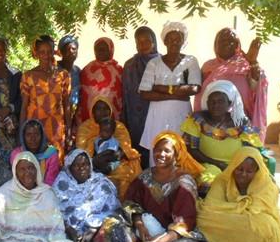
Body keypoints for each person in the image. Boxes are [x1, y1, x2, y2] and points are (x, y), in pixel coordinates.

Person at [94, 132, 207, 242]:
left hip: (172, 238)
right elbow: (131, 203)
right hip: (145, 235)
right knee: (110, 225)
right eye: (158, 150)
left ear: (176, 154)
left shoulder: (184, 182)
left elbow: (185, 223)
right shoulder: (145, 176)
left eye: (167, 151)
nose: (161, 154)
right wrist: (140, 225)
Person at [197, 147, 280, 242]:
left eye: (249, 171)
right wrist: (240, 208)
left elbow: (256, 210)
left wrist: (231, 210)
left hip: (257, 222)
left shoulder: (267, 185)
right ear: (233, 166)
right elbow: (210, 207)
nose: (243, 174)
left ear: (257, 171)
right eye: (239, 169)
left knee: (260, 224)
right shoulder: (222, 180)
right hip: (233, 220)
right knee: (204, 218)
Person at [181, 80, 271, 193]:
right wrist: (217, 163)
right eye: (212, 101)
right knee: (209, 182)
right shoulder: (197, 119)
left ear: (229, 104)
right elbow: (191, 149)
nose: (216, 105)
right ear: (207, 103)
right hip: (207, 165)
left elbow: (252, 148)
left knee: (258, 185)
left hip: (238, 166)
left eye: (220, 101)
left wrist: (237, 166)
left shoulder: (241, 122)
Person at [138, 22, 201, 159]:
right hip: (158, 115)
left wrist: (162, 88)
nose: (174, 43)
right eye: (171, 39)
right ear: (165, 41)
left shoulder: (190, 61)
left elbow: (195, 88)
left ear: (183, 41)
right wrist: (176, 95)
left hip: (182, 114)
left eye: (178, 39)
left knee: (181, 150)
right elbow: (145, 93)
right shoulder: (154, 63)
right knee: (159, 151)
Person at [194, 28, 267, 140]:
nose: (226, 43)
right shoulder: (208, 66)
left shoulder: (245, 65)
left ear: (237, 45)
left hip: (239, 124)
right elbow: (199, 94)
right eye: (222, 40)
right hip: (210, 123)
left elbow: (256, 89)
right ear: (215, 45)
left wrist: (252, 62)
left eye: (230, 41)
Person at [52, 149, 121, 242]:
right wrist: (68, 229)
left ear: (90, 165)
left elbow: (113, 211)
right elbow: (52, 212)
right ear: (69, 168)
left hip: (96, 231)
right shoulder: (62, 183)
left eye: (85, 164)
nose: (82, 168)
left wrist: (93, 229)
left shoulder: (100, 183)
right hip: (66, 232)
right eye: (76, 165)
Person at [76, 96, 142, 200]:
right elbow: (81, 153)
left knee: (125, 173)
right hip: (92, 163)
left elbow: (125, 149)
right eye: (98, 109)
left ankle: (122, 202)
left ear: (110, 110)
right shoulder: (85, 128)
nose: (102, 112)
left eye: (105, 108)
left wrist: (110, 161)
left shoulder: (118, 126)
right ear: (92, 111)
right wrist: (95, 161)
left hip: (115, 161)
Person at [20, 35, 71, 161]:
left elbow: (67, 105)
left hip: (56, 130)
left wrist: (69, 131)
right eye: (42, 52)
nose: (46, 55)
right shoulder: (28, 76)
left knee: (56, 163)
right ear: (36, 53)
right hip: (35, 130)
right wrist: (21, 133)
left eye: (49, 51)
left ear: (54, 51)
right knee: (36, 164)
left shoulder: (63, 75)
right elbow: (24, 106)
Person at [122, 26, 159, 168]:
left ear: (154, 42)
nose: (143, 45)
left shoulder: (162, 63)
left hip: (156, 115)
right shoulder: (129, 65)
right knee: (138, 153)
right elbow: (125, 95)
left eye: (147, 41)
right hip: (135, 119)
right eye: (139, 42)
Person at [79, 37, 123, 123]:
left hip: (113, 114)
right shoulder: (87, 70)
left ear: (110, 50)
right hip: (89, 115)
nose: (100, 51)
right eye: (98, 49)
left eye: (103, 49)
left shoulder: (119, 70)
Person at [10, 119, 60, 186]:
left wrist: (38, 190)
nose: (33, 138)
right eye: (28, 135)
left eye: (36, 134)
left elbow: (50, 180)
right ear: (23, 137)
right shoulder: (17, 154)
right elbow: (17, 178)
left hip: (44, 189)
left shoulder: (51, 153)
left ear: (42, 136)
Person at [57, 35, 80, 142]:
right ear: (61, 52)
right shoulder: (54, 70)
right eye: (67, 49)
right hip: (57, 119)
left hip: (73, 119)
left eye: (74, 49)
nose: (71, 52)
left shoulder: (77, 71)